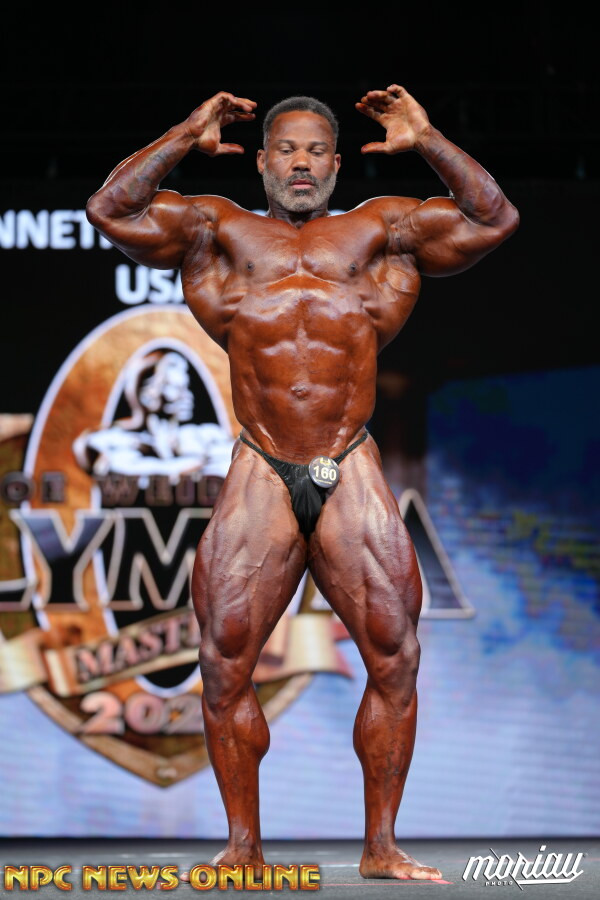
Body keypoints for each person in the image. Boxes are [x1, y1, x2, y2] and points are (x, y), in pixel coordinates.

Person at [86, 85, 518, 882]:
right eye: (286, 149)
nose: (301, 164)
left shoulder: (381, 230)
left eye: (316, 151)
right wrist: (184, 133)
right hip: (262, 462)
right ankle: (243, 847)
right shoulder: (216, 230)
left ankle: (381, 847)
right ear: (261, 160)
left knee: (395, 656)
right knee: (224, 662)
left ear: (337, 163)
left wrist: (428, 139)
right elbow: (111, 210)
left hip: (346, 459)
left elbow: (493, 218)